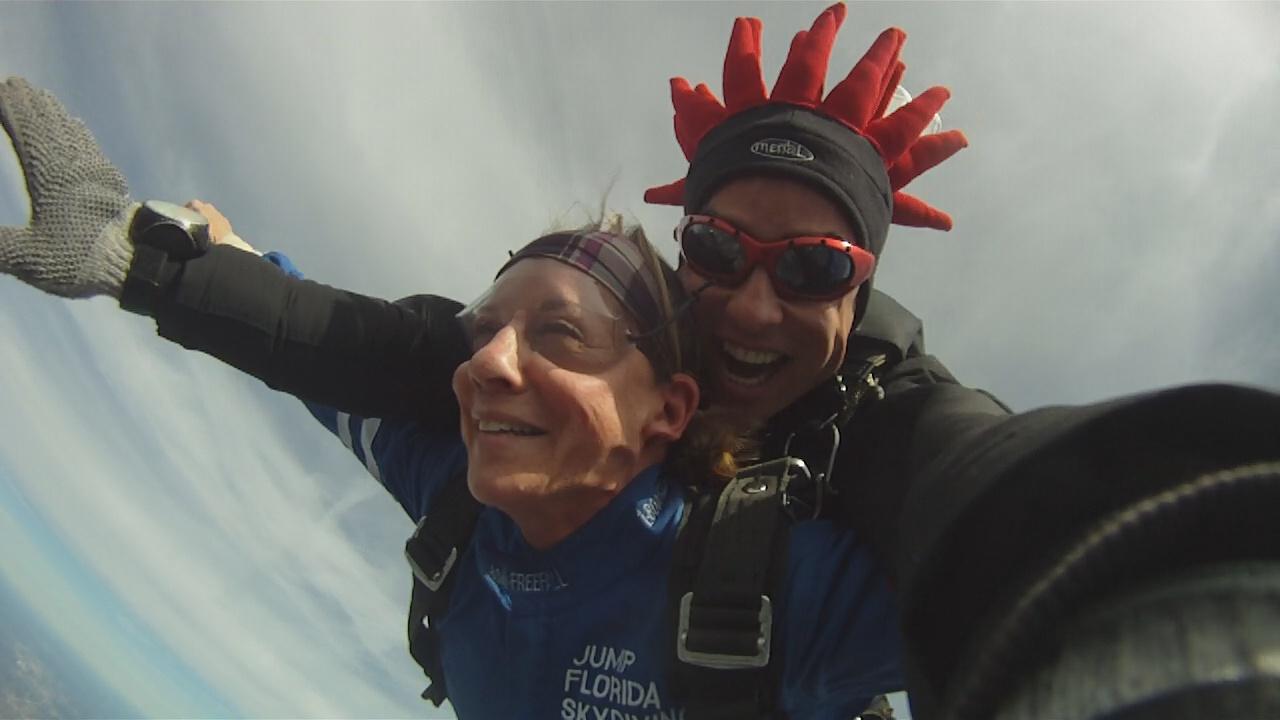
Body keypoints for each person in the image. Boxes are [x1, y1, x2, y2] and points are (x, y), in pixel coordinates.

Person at [3, 4, 1279, 718]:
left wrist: (1185, 611)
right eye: (717, 251)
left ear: (860, 294)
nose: (752, 308)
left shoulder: (818, 529)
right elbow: (357, 355)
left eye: (816, 269)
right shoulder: (476, 458)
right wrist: (169, 261)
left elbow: (1009, 507)